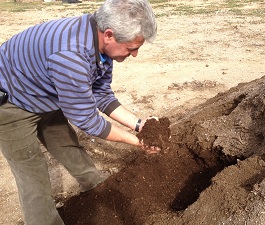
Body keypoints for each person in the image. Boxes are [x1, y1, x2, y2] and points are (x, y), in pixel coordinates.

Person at [0, 0, 159, 224]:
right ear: (109, 35)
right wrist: (137, 141)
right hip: (11, 102)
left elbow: (101, 93)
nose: (134, 55)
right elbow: (88, 120)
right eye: (132, 48)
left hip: (44, 90)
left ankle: (96, 185)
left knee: (66, 143)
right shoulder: (71, 56)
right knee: (32, 174)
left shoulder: (99, 43)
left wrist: (140, 125)